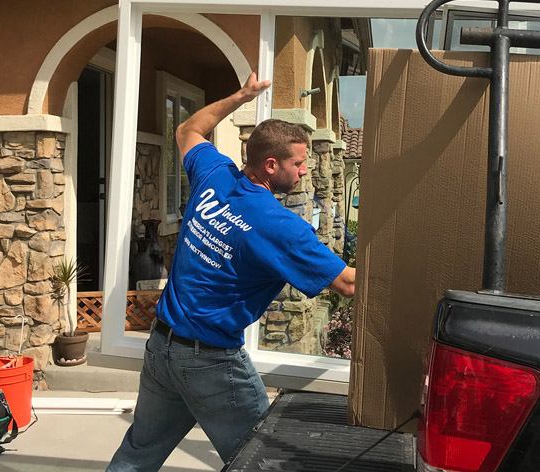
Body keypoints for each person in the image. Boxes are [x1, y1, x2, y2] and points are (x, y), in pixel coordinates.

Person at [106, 72, 356, 472]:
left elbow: (189, 128)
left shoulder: (214, 175)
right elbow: (347, 283)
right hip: (211, 363)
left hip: (163, 350)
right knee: (263, 461)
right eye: (299, 162)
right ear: (271, 165)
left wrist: (242, 95)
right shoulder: (280, 226)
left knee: (138, 454)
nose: (306, 170)